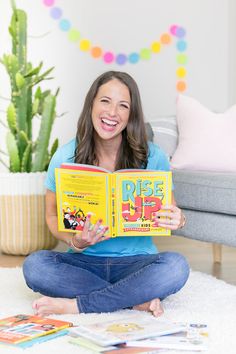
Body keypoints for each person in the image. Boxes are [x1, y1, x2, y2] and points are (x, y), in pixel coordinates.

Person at [23, 71, 189, 317]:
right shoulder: (65, 156)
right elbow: (51, 216)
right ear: (91, 103)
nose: (112, 113)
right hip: (84, 264)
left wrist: (179, 219)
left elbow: (170, 211)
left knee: (176, 266)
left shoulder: (153, 156)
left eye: (123, 106)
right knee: (35, 266)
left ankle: (78, 305)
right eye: (105, 101)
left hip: (136, 263)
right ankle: (134, 299)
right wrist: (75, 241)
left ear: (130, 115)